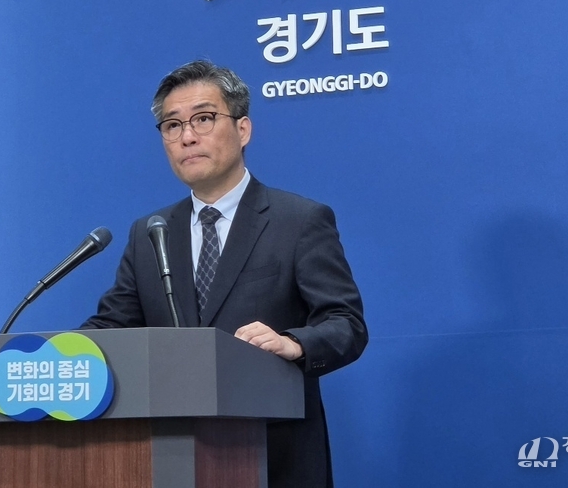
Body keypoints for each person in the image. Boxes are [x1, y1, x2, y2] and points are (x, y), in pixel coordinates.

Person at [82, 60, 367, 488]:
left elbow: (345, 324)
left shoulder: (298, 220)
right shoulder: (151, 232)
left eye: (203, 118)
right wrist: (56, 359)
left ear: (243, 129)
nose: (187, 136)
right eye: (172, 125)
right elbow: (112, 327)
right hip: (169, 457)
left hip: (273, 454)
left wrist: (293, 343)